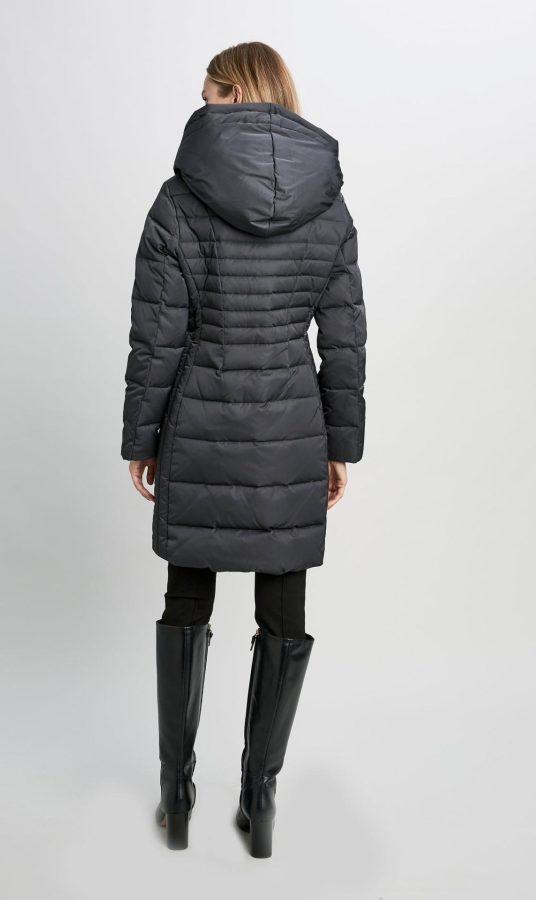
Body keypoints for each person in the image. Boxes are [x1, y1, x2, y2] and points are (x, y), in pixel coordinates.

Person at [121, 42, 367, 857]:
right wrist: (339, 443)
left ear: (236, 92)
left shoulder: (179, 199)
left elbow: (157, 334)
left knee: (187, 601)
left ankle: (176, 793)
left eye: (209, 94)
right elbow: (343, 337)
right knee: (284, 611)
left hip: (199, 419)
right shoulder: (328, 201)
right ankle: (260, 803)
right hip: (292, 427)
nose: (202, 109)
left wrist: (142, 436)